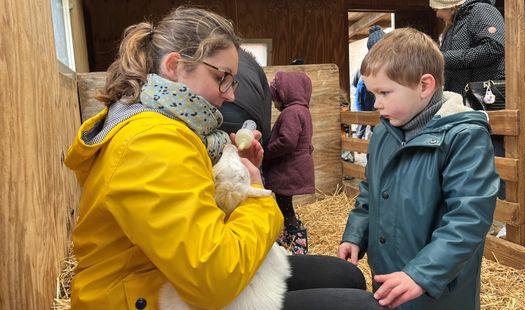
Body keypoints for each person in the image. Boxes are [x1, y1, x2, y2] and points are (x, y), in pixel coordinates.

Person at [64, 6, 382, 309]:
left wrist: (243, 171)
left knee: (347, 275)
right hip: (147, 295)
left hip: (167, 281)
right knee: (360, 303)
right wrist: (256, 193)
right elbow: (213, 278)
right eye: (222, 77)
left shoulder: (168, 128)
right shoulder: (150, 143)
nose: (229, 94)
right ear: (174, 67)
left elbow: (197, 223)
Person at [338, 28, 499, 309]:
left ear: (424, 86)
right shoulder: (384, 134)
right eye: (374, 93)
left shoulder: (463, 137)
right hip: (390, 278)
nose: (376, 103)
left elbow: (469, 217)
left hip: (438, 289)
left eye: (385, 92)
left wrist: (422, 274)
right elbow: (370, 192)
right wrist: (356, 234)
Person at [431, 0, 506, 199]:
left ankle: (504, 210)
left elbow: (494, 47)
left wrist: (444, 57)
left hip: (486, 100)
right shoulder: (455, 25)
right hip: (466, 102)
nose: (437, 14)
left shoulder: (482, 11)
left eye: (438, 8)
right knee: (473, 155)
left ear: (451, 4)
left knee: (494, 151)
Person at [263, 71, 314, 256]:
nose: (275, 103)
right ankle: (289, 243)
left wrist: (266, 153)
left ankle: (299, 249)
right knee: (285, 207)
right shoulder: (303, 110)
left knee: (286, 211)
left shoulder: (291, 112)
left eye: (275, 98)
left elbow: (288, 141)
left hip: (286, 170)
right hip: (294, 169)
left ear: (285, 93)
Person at [219, 48, 272, 149]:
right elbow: (266, 117)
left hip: (215, 104)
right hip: (247, 116)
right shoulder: (255, 67)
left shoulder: (225, 52)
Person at [353, 25, 386, 139]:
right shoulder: (367, 73)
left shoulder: (396, 69)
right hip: (373, 116)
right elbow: (358, 95)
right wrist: (363, 113)